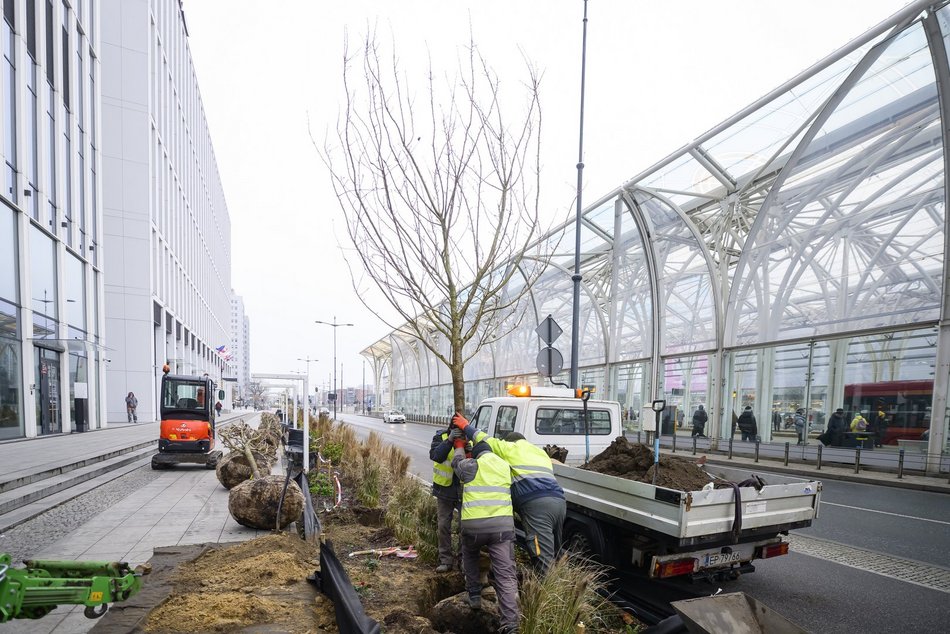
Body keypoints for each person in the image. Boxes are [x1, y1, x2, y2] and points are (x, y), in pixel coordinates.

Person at [462, 423, 566, 574]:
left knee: (541, 554)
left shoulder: (511, 448)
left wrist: (466, 426)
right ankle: (560, 584)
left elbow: (486, 440)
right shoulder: (539, 453)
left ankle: (547, 591)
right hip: (559, 502)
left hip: (538, 506)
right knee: (555, 551)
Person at [449, 415, 519, 634]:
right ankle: (511, 625)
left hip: (474, 527)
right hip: (502, 529)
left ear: (476, 454)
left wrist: (460, 447)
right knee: (506, 576)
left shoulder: (472, 465)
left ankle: (475, 596)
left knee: (470, 555)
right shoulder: (505, 466)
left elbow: (457, 465)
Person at [429, 423, 471, 573]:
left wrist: (470, 451)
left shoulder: (469, 440)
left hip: (464, 491)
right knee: (443, 526)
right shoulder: (440, 437)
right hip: (444, 490)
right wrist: (449, 441)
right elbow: (436, 456)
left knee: (464, 527)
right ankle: (446, 560)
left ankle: (463, 560)